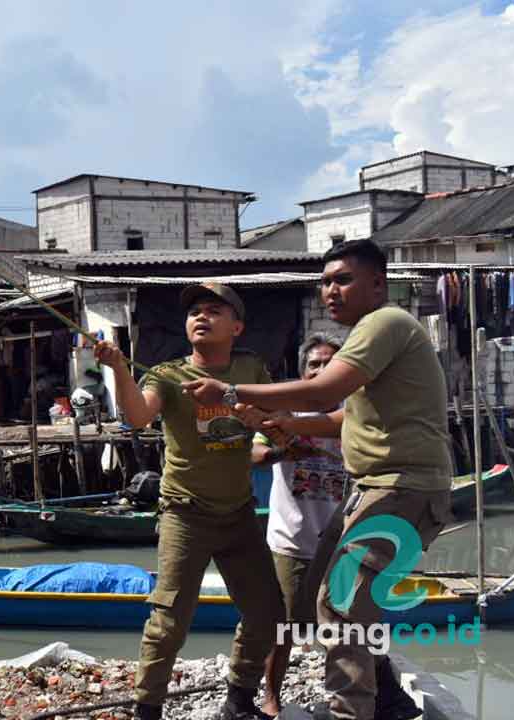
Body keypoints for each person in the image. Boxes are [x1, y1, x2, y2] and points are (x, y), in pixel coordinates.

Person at [182, 240, 452, 720]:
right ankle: (385, 699)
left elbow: (325, 390)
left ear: (377, 284)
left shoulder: (384, 323)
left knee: (342, 604)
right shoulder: (372, 339)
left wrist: (229, 389)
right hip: (376, 489)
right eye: (325, 282)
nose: (330, 290)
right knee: (330, 598)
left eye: (342, 280)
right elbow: (343, 417)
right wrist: (283, 419)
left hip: (400, 486)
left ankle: (354, 710)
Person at [95, 282, 283, 720]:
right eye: (195, 310)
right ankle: (147, 710)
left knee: (267, 612)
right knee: (169, 620)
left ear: (236, 326)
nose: (201, 316)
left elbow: (272, 423)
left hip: (238, 512)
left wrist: (261, 425)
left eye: (214, 311)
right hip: (184, 511)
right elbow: (137, 417)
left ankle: (239, 699)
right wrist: (120, 369)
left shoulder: (252, 368)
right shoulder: (167, 375)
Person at [252, 333, 347, 718]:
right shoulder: (285, 415)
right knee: (285, 627)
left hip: (341, 538)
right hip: (292, 540)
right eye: (315, 365)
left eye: (331, 365)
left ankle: (345, 693)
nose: (323, 371)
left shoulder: (354, 414)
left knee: (342, 627)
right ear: (303, 372)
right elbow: (254, 454)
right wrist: (286, 450)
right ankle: (270, 696)